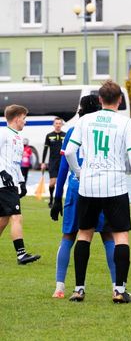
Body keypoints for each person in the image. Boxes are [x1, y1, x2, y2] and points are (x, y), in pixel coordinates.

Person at [64, 80, 131, 304]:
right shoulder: (126, 122)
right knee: (121, 236)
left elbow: (69, 151)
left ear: (100, 99)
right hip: (115, 185)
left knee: (84, 234)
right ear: (119, 100)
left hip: (89, 185)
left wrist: (79, 173)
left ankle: (79, 289)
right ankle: (119, 290)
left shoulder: (85, 120)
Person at [50, 95, 116, 299]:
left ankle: (60, 287)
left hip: (76, 186)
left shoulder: (73, 130)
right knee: (108, 236)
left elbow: (64, 167)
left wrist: (57, 197)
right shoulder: (106, 129)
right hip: (101, 186)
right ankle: (117, 287)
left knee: (69, 236)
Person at [0, 104, 41, 265]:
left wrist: (22, 182)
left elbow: (16, 163)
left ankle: (21, 255)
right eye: (24, 118)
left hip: (11, 183)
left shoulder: (17, 138)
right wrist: (2, 172)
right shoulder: (3, 133)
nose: (25, 121)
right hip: (4, 183)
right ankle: (21, 255)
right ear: (17, 118)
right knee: (16, 216)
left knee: (3, 219)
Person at [41, 117, 66, 207]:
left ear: (62, 125)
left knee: (60, 183)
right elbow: (45, 149)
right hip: (52, 162)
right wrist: (43, 162)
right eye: (56, 123)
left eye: (59, 123)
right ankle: (51, 199)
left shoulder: (65, 135)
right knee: (52, 182)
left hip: (62, 162)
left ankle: (58, 201)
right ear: (53, 124)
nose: (58, 125)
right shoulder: (49, 135)